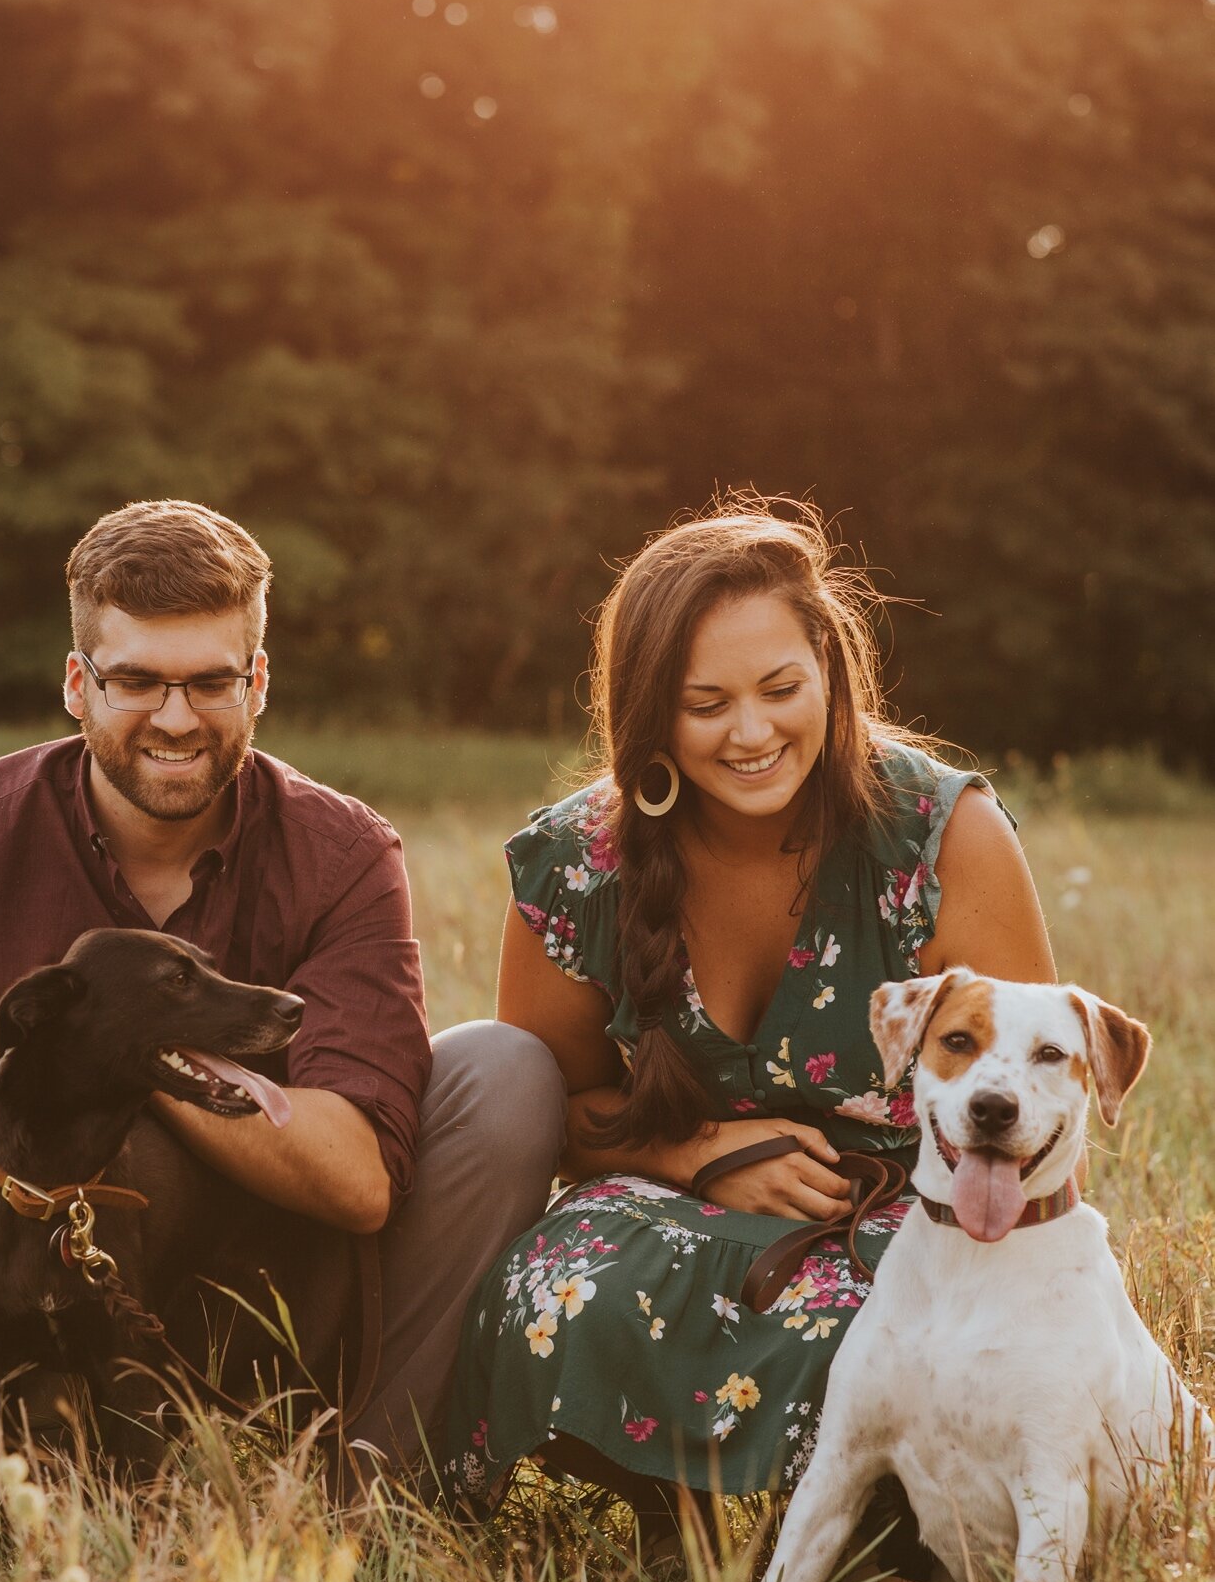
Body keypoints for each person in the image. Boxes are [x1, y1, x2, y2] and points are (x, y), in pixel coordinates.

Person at [0, 498, 565, 1468]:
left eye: (211, 683)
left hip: (284, 1248)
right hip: (62, 1236)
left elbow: (358, 1178)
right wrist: (15, 1082)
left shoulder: (342, 849)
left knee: (504, 1069)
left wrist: (145, 1063)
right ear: (79, 685)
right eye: (139, 683)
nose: (177, 719)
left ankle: (376, 1469)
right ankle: (52, 1464)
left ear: (257, 683)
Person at [441, 498, 1059, 1527]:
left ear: (830, 670)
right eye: (705, 703)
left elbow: (1039, 1096)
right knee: (552, 1280)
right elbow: (556, 1115)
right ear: (650, 712)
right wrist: (703, 1152)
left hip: (903, 1216)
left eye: (781, 689)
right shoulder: (577, 862)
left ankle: (875, 1535)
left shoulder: (942, 836)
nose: (752, 733)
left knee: (899, 1341)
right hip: (673, 1204)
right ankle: (670, 1505)